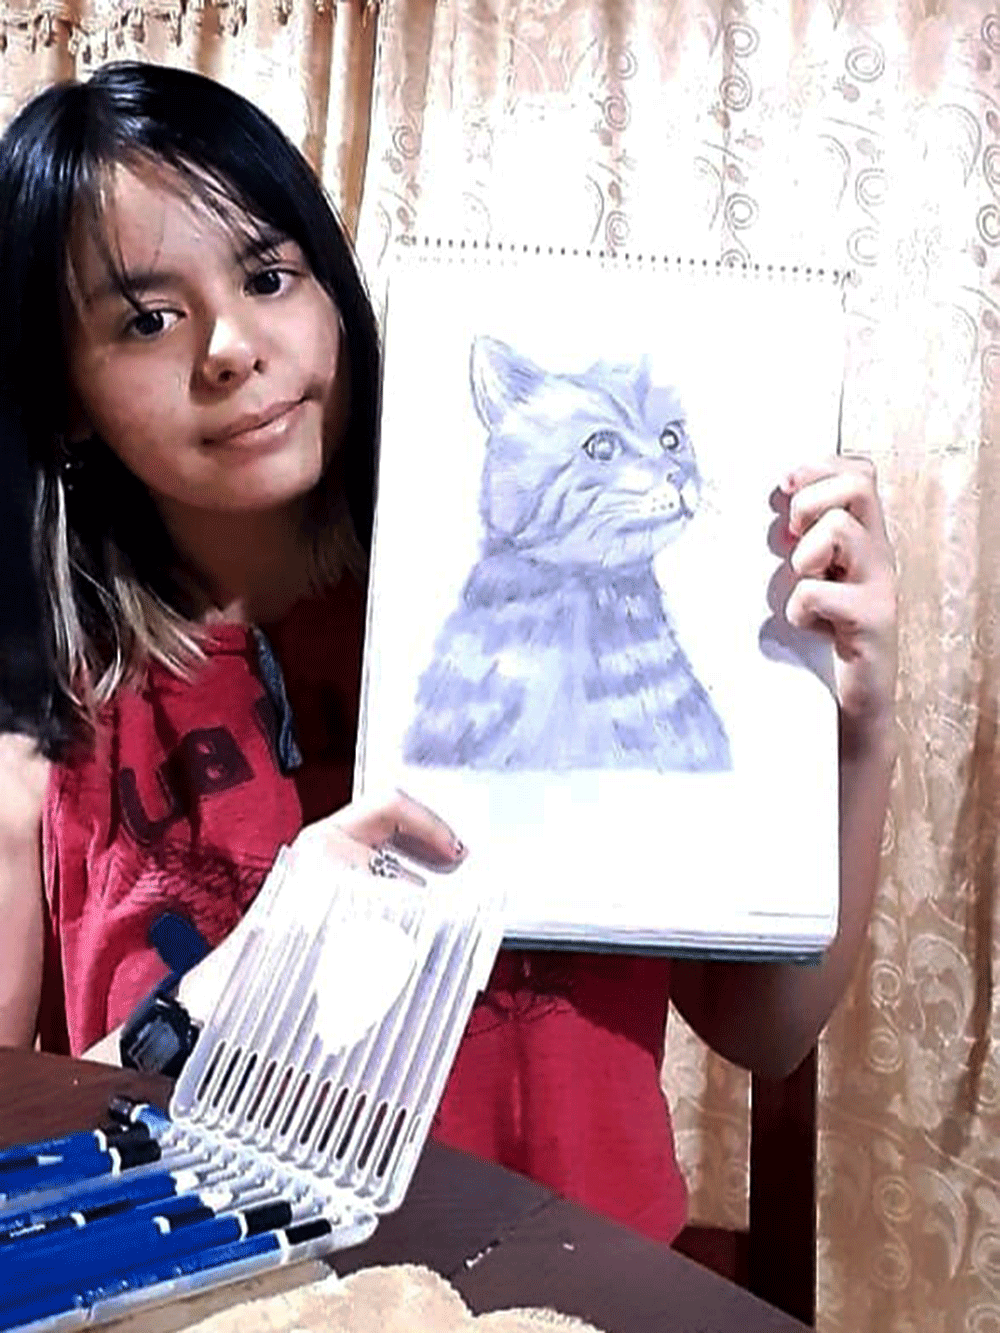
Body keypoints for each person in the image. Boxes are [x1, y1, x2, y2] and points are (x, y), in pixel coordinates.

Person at [0, 62, 898, 1246]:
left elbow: (763, 1031)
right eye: (146, 319)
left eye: (268, 276)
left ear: (331, 293)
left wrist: (857, 725)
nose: (228, 347)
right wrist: (239, 978)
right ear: (63, 390)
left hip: (580, 1293)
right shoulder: (43, 730)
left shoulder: (553, 626)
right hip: (244, 1304)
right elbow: (17, 1168)